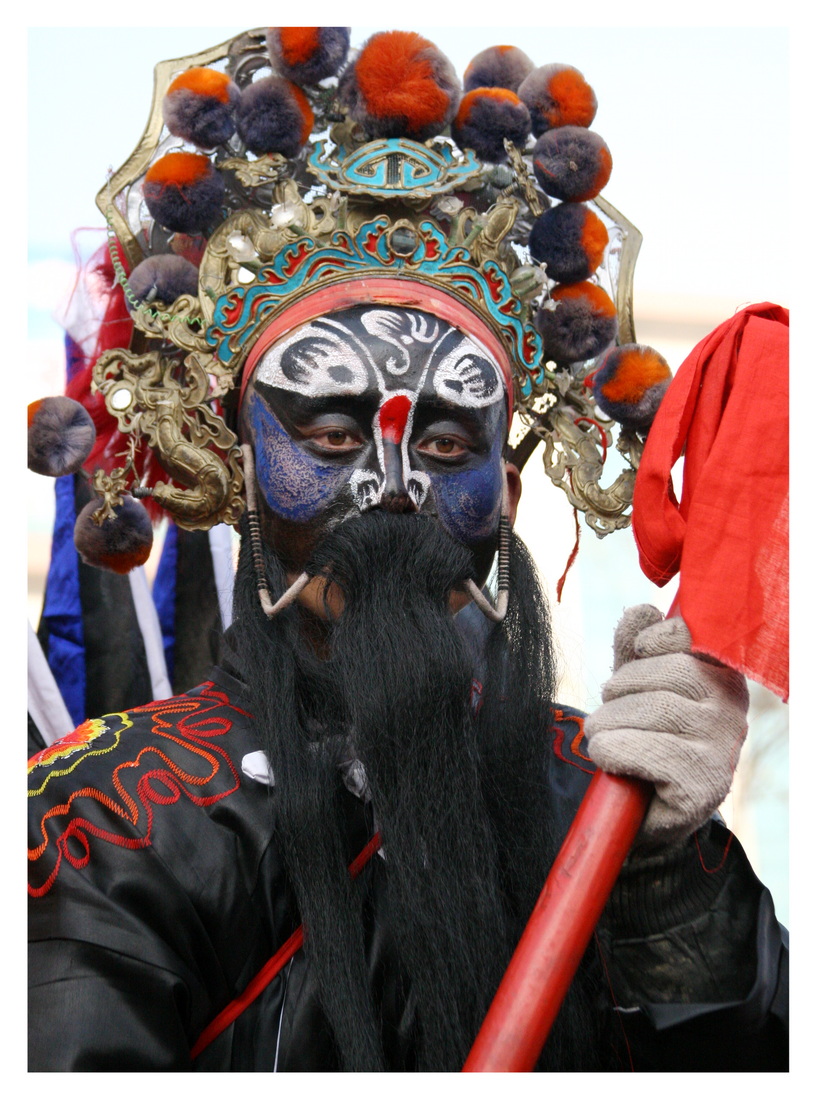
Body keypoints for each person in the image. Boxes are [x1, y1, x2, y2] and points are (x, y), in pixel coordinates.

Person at [28, 26, 788, 1072]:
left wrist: (669, 884)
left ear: (506, 495)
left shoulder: (604, 801)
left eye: (445, 444)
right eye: (334, 436)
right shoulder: (103, 812)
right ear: (243, 475)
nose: (393, 483)